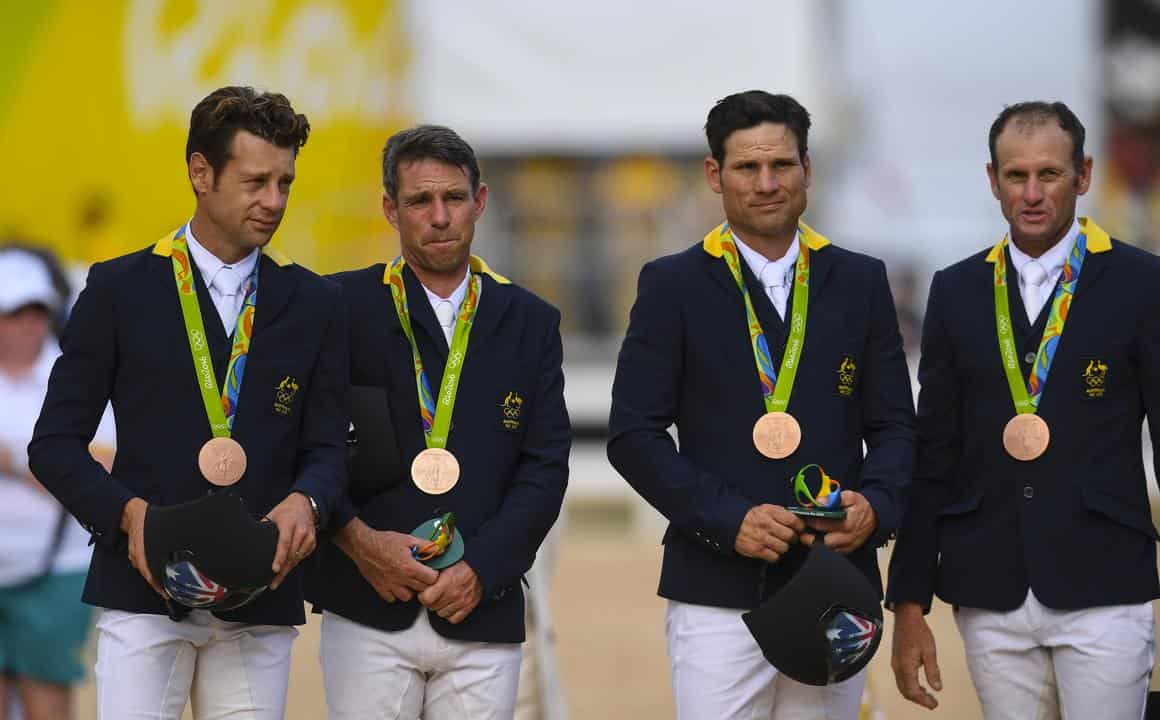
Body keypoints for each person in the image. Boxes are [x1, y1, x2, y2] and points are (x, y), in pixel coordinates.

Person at [886, 101, 1160, 719]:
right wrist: (909, 603)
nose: (1032, 193)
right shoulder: (957, 289)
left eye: (1048, 174)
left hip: (1104, 585)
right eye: (1015, 176)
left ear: (1085, 174)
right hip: (988, 589)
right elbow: (934, 450)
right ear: (992, 180)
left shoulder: (1144, 284)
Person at [27, 86, 349, 720]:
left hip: (262, 590)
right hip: (143, 592)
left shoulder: (314, 303)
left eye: (285, 183)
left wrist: (306, 501)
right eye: (256, 181)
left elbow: (328, 446)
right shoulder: (118, 289)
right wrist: (129, 517)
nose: (274, 201)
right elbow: (54, 445)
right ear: (201, 172)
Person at [607, 90, 915, 718]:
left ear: (808, 168)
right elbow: (633, 435)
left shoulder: (860, 281)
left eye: (783, 165)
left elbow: (895, 428)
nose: (767, 183)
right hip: (716, 589)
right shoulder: (672, 285)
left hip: (835, 581)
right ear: (715, 176)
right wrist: (729, 520)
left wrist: (875, 507)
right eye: (748, 168)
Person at [307, 124, 570, 719]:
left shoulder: (530, 321)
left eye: (453, 198)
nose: (440, 216)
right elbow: (311, 447)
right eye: (420, 201)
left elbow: (546, 467)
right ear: (389, 210)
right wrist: (361, 544)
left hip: (482, 604)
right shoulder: (337, 309)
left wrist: (484, 567)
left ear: (480, 200)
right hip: (367, 601)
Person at [0, 245, 114, 720]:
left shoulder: (75, 376)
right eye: (14, 312)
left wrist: (12, 460)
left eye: (36, 311)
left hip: (55, 569)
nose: (28, 324)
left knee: (47, 702)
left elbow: (104, 473)